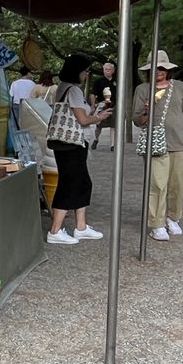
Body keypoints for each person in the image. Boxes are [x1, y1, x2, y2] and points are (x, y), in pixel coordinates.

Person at [45, 54, 112, 245]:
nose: (87, 74)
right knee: (70, 184)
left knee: (82, 182)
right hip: (71, 144)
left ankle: (81, 226)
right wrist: (99, 117)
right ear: (78, 70)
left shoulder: (63, 87)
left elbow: (79, 114)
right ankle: (55, 230)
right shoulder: (73, 89)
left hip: (67, 143)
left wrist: (97, 110)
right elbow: (83, 120)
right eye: (86, 70)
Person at [133, 50, 183, 242]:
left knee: (178, 185)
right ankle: (156, 223)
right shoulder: (143, 89)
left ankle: (173, 217)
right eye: (155, 68)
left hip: (179, 142)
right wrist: (147, 108)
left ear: (168, 69)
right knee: (157, 184)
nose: (159, 71)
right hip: (156, 143)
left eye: (162, 67)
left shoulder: (180, 87)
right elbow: (137, 119)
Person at [89, 60, 116, 151]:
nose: (107, 71)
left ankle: (112, 145)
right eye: (106, 69)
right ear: (103, 70)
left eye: (109, 69)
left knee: (113, 125)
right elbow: (92, 94)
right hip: (102, 105)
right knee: (99, 126)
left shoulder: (118, 81)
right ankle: (96, 139)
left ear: (113, 70)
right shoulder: (98, 81)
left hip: (114, 106)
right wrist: (93, 106)